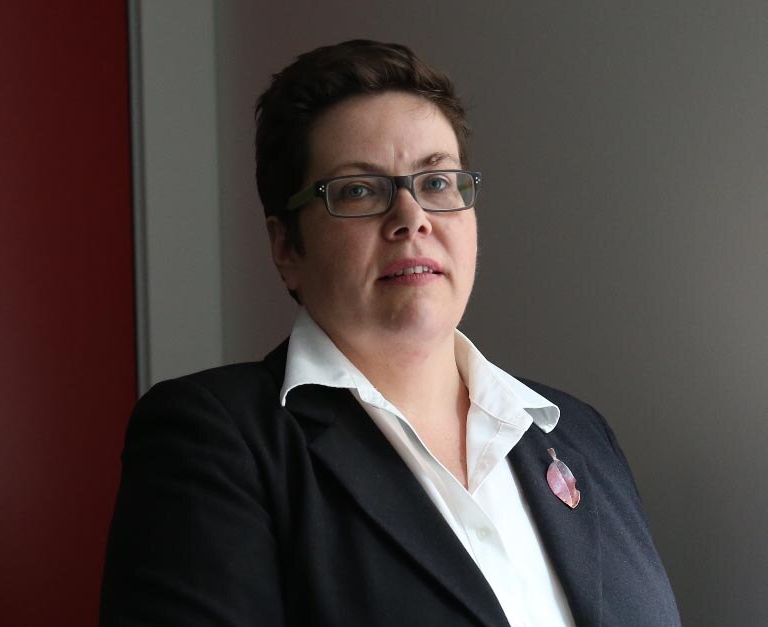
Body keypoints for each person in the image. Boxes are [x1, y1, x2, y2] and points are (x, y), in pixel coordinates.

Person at [100, 40, 680, 626]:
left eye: (436, 183)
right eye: (358, 190)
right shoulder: (216, 440)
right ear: (286, 247)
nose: (411, 218)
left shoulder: (578, 433)